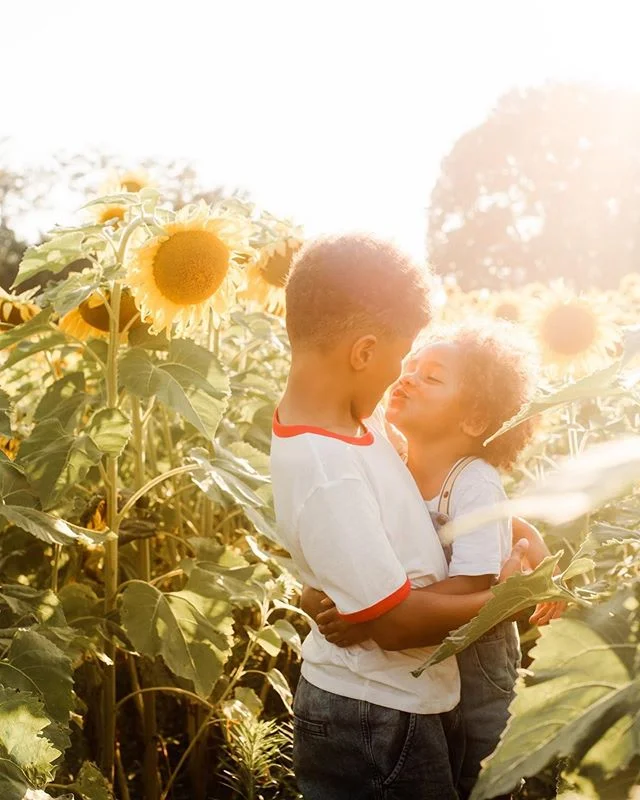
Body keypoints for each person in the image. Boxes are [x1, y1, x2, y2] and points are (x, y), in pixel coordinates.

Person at [270, 235, 529, 800]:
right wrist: (513, 597)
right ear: (363, 353)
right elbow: (391, 625)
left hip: (384, 701)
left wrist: (527, 542)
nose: (400, 380)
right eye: (399, 360)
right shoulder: (330, 466)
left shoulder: (356, 427)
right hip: (377, 712)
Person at [309, 320, 563, 799]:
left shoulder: (472, 481)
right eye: (411, 368)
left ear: (473, 419)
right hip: (424, 655)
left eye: (432, 378)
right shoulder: (397, 468)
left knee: (482, 769)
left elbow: (472, 586)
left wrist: (374, 614)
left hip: (475, 653)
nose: (407, 378)